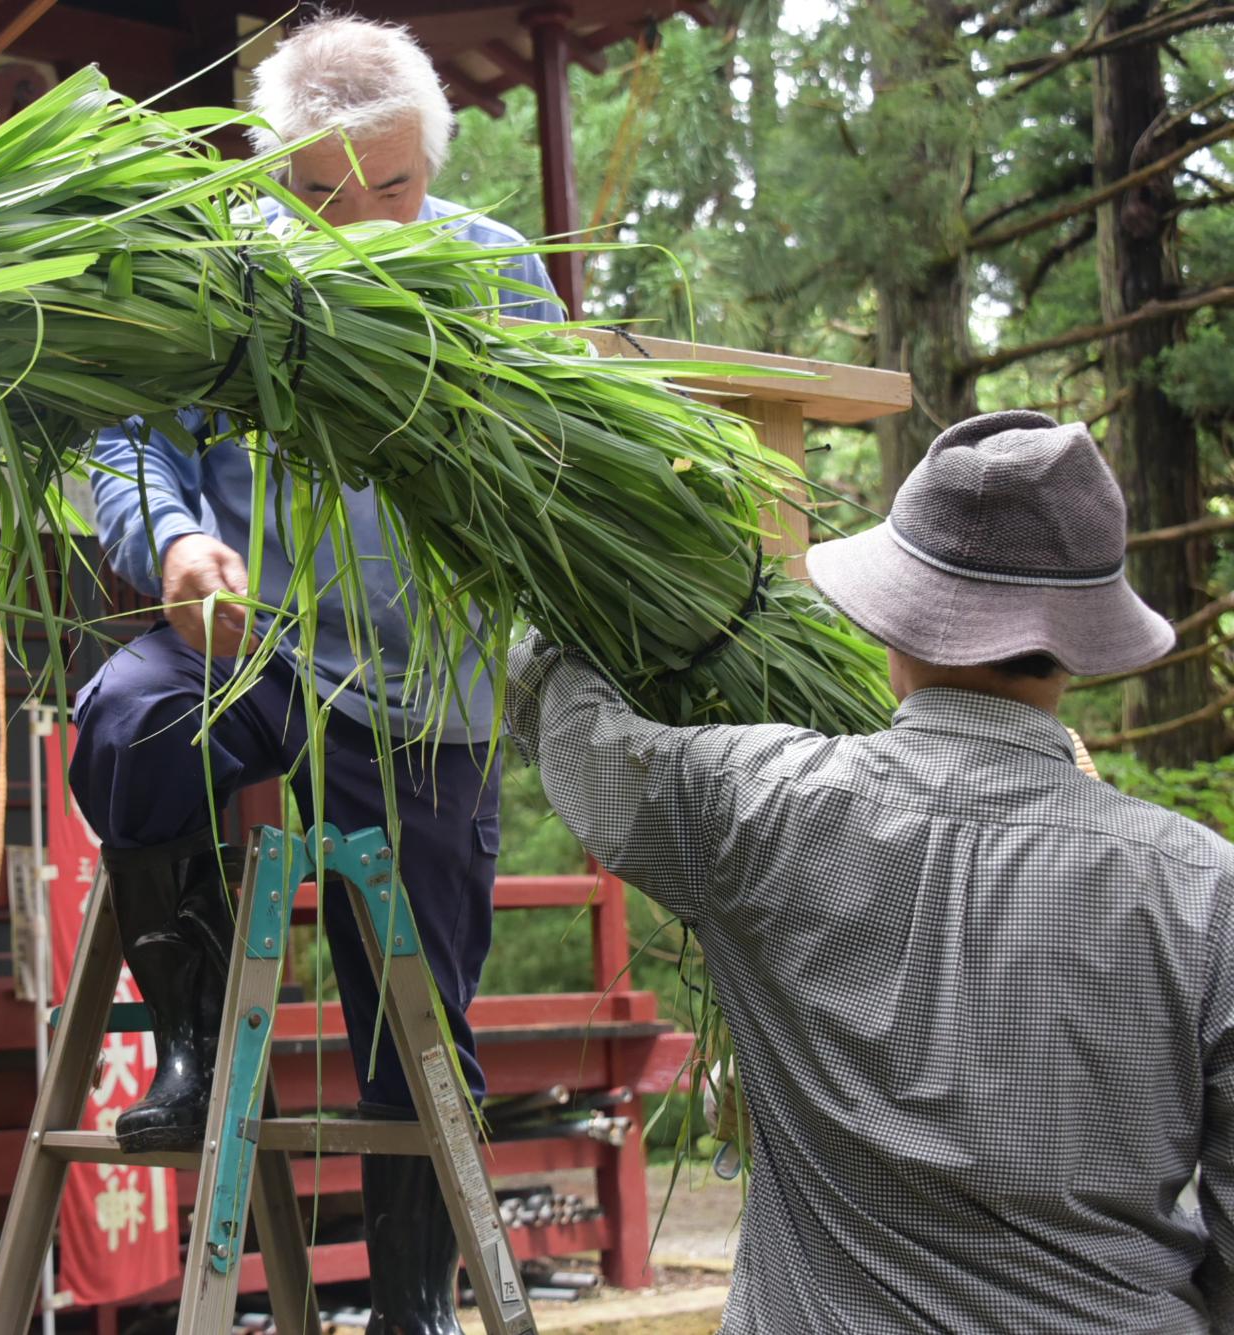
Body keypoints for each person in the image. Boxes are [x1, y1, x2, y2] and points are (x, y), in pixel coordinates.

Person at [506, 409, 1234, 1332]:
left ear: (896, 617)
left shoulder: (756, 803)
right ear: (1077, 646)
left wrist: (544, 553)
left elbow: (569, 727)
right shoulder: (1204, 889)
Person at [67, 14, 560, 1331]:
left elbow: (570, 461)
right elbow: (121, 442)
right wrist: (174, 539)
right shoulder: (222, 271)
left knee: (418, 1013)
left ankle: (416, 1300)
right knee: (126, 711)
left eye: (394, 188)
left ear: (432, 165)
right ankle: (187, 1049)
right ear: (277, 172)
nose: (363, 223)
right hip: (256, 646)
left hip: (423, 683)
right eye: (323, 194)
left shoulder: (497, 274)